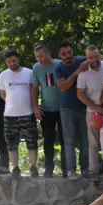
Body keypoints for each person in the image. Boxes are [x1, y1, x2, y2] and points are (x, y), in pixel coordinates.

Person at [77, 45, 103, 178]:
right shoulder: (83, 73)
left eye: (95, 56)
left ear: (99, 54)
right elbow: (80, 94)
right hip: (93, 110)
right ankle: (94, 171)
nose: (94, 59)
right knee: (94, 143)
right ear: (87, 58)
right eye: (90, 57)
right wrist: (95, 108)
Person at [0, 49, 40, 179]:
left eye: (14, 60)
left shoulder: (29, 73)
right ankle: (15, 167)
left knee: (31, 141)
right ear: (6, 62)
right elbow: (2, 93)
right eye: (9, 61)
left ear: (18, 60)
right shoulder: (3, 75)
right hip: (10, 114)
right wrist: (11, 102)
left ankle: (33, 167)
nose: (12, 63)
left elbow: (35, 90)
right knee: (11, 142)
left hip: (28, 112)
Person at [31, 44, 65, 178]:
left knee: (65, 139)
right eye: (37, 57)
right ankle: (48, 168)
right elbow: (34, 88)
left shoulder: (60, 64)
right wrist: (35, 106)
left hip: (63, 108)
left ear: (48, 53)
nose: (40, 59)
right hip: (46, 109)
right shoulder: (36, 68)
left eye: (41, 56)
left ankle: (66, 168)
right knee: (48, 140)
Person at [55, 42, 88, 178]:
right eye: (64, 54)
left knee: (85, 140)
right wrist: (76, 74)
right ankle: (71, 170)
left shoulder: (82, 60)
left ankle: (86, 169)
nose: (67, 56)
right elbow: (63, 87)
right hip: (67, 108)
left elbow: (101, 58)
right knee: (69, 140)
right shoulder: (59, 68)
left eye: (69, 52)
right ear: (59, 55)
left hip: (84, 106)